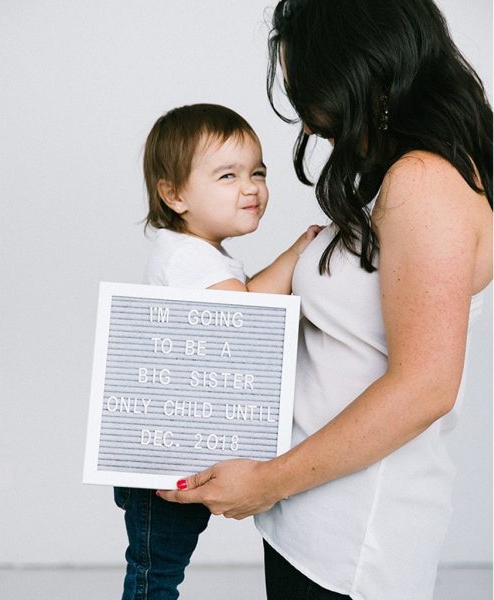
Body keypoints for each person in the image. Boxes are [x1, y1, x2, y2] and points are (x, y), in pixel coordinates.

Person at [158, 1, 493, 599]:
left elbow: (426, 385)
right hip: (307, 522)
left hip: (351, 541)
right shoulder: (400, 178)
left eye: (309, 96)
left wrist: (267, 481)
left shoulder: (425, 181)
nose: (308, 125)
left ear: (357, 74)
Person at [113, 102, 321, 600]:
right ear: (174, 194)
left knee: (159, 567)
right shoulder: (186, 257)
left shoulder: (204, 255)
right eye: (227, 175)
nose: (250, 187)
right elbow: (247, 316)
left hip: (178, 448)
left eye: (258, 172)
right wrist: (296, 255)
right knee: (154, 574)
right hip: (163, 458)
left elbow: (244, 300)